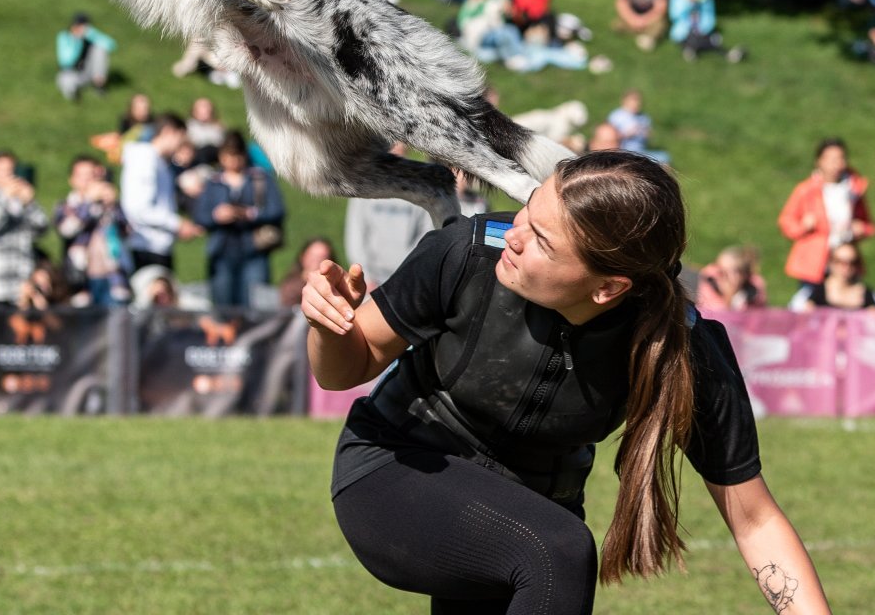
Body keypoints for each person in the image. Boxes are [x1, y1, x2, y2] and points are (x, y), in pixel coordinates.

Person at [304, 150, 830, 615]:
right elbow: (344, 369)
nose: (513, 235)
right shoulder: (465, 252)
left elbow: (756, 521)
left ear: (607, 288)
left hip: (532, 503)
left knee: (546, 544)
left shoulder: (684, 347)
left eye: (541, 240)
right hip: (397, 468)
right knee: (557, 551)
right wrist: (328, 327)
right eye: (528, 210)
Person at [194, 132, 286, 309]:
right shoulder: (214, 182)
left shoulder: (259, 178)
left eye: (236, 156)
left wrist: (250, 214)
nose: (232, 161)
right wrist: (217, 215)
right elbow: (200, 215)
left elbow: (277, 209)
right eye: (228, 156)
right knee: (223, 306)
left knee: (253, 305)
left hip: (254, 249)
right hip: (222, 251)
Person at [778, 137, 874, 290]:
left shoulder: (853, 189)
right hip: (814, 262)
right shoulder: (806, 190)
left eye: (841, 158)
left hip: (844, 260)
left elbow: (868, 224)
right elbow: (786, 221)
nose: (837, 164)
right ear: (819, 161)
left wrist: (861, 229)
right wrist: (803, 226)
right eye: (832, 159)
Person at [343, 145, 434, 290]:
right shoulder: (364, 185)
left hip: (406, 281)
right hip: (372, 283)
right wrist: (365, 277)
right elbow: (356, 234)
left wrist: (411, 274)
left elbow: (425, 233)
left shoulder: (419, 187)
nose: (394, 147)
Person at [0, 151, 50, 307]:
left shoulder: (22, 199)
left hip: (23, 286)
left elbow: (42, 229)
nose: (8, 175)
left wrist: (29, 203)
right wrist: (5, 199)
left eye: (11, 170)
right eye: (2, 171)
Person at [118, 114, 198, 271]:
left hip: (158, 246)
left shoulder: (160, 162)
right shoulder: (144, 158)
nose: (180, 147)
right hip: (145, 247)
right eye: (180, 139)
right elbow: (138, 208)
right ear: (168, 131)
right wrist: (177, 224)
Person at [56, 154, 134, 306]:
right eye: (82, 176)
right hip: (81, 283)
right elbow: (67, 230)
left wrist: (113, 206)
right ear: (72, 179)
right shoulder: (66, 206)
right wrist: (88, 203)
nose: (87, 181)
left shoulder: (108, 205)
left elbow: (127, 232)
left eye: (92, 175)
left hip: (113, 279)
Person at [668, 0, 744, 61]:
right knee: (701, 40)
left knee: (705, 39)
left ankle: (692, 50)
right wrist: (689, 3)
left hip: (701, 30)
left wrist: (703, 29)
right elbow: (674, 15)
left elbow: (709, 17)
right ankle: (725, 53)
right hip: (683, 32)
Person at [792, 244, 875, 311]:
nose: (846, 267)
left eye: (852, 262)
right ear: (830, 263)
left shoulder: (870, 295)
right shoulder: (811, 293)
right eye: (840, 262)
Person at [55, 12, 116, 100]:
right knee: (65, 81)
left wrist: (91, 34)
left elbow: (111, 45)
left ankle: (99, 84)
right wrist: (77, 41)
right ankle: (73, 95)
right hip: (71, 73)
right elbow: (66, 61)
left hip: (88, 72)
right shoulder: (64, 37)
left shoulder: (90, 36)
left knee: (100, 49)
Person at [694, 245, 768, 312]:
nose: (720, 276)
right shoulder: (711, 281)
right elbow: (715, 316)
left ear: (743, 275)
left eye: (725, 273)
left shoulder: (754, 290)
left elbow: (756, 317)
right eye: (720, 270)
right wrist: (728, 296)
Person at [605, 89, 668, 163]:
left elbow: (649, 136)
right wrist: (627, 134)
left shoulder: (644, 117)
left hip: (640, 150)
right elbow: (607, 137)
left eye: (638, 101)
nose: (636, 103)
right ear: (624, 101)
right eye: (633, 100)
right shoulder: (616, 116)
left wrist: (647, 134)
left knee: (664, 157)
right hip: (623, 150)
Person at [278, 237, 336, 308]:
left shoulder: (335, 286)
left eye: (322, 257)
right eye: (313, 256)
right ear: (302, 257)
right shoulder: (291, 287)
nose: (317, 261)